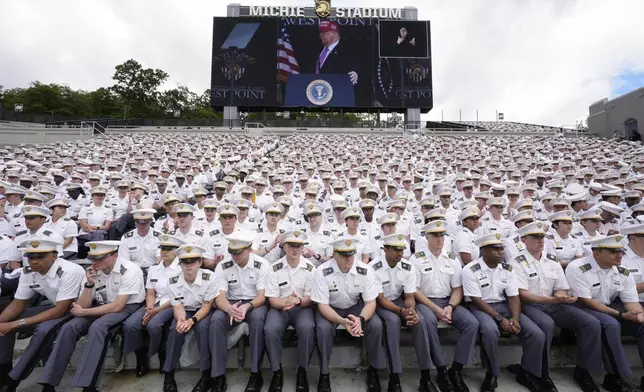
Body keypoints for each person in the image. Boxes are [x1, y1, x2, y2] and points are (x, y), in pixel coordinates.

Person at [38, 240, 145, 392]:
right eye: (93, 258)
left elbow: (118, 306)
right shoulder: (93, 271)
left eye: (100, 258)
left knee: (98, 327)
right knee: (70, 327)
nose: (95, 262)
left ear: (114, 255)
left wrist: (83, 312)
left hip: (126, 307)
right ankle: (49, 383)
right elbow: (83, 304)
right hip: (100, 306)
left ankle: (88, 385)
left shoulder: (129, 269)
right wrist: (89, 284)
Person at [511, 222, 604, 392]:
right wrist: (553, 299)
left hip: (553, 304)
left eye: (542, 237)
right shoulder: (516, 262)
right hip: (530, 306)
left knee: (591, 323)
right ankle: (541, 373)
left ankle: (583, 371)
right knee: (546, 325)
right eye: (535, 237)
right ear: (523, 239)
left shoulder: (552, 261)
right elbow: (523, 294)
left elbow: (561, 286)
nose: (541, 240)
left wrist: (562, 295)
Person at [461, 233, 546, 392]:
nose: (501, 252)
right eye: (496, 249)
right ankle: (492, 374)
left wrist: (515, 318)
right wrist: (500, 319)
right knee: (490, 331)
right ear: (484, 251)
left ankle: (528, 373)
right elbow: (477, 300)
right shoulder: (470, 269)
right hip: (480, 307)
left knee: (536, 334)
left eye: (502, 248)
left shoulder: (508, 269)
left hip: (503, 306)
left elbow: (514, 297)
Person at [0, 238, 85, 392]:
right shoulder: (29, 271)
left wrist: (13, 325)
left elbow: (61, 309)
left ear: (54, 255)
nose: (35, 261)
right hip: (56, 307)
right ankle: (3, 370)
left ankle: (14, 380)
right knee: (6, 319)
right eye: (31, 257)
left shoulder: (70, 270)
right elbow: (18, 303)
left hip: (77, 310)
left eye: (41, 256)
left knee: (43, 330)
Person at [567, 234, 644, 392]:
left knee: (642, 325)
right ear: (597, 253)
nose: (619, 255)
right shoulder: (577, 267)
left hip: (607, 308)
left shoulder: (623, 271)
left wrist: (638, 313)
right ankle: (614, 377)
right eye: (613, 251)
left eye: (621, 251)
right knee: (610, 325)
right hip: (580, 307)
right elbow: (586, 301)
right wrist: (620, 315)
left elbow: (630, 300)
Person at [408, 220, 479, 392]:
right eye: (435, 235)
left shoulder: (452, 259)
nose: (440, 239)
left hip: (448, 301)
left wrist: (451, 306)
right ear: (427, 237)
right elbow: (415, 290)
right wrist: (436, 308)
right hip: (425, 302)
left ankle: (455, 370)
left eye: (442, 235)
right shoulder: (416, 259)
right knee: (428, 322)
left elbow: (457, 289)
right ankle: (440, 370)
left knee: (471, 323)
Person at [311, 238, 385, 392]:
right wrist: (341, 321)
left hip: (354, 306)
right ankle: (324, 374)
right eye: (344, 255)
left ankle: (373, 370)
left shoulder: (365, 270)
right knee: (323, 329)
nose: (349, 258)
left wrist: (361, 319)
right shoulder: (322, 271)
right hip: (331, 307)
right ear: (334, 254)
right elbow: (322, 305)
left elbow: (371, 302)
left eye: (351, 254)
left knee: (376, 325)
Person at [372, 233, 436, 392]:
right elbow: (380, 299)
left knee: (419, 321)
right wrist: (401, 311)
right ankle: (395, 377)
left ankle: (425, 376)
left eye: (402, 249)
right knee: (392, 322)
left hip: (399, 302)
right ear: (385, 249)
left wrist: (411, 310)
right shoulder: (373, 268)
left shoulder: (408, 266)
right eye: (395, 249)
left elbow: (409, 295)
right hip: (380, 304)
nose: (400, 253)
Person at [210, 231, 269, 392]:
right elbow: (219, 296)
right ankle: (218, 375)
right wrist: (228, 308)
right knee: (216, 321)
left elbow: (262, 295)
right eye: (232, 252)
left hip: (255, 303)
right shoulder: (223, 266)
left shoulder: (262, 264)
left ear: (249, 249)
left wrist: (247, 306)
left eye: (239, 252)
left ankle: (256, 374)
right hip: (231, 303)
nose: (235, 256)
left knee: (257, 321)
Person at [122, 234, 185, 379]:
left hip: (172, 304)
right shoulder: (154, 268)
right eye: (162, 248)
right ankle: (141, 358)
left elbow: (178, 295)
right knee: (130, 325)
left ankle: (161, 354)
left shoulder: (181, 268)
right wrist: (150, 308)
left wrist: (156, 311)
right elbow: (150, 292)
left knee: (154, 325)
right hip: (154, 303)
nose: (164, 251)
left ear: (177, 251)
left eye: (169, 249)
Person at [264, 230, 316, 392]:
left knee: (308, 328)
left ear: (303, 248)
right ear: (284, 247)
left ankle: (302, 371)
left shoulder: (310, 268)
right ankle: (276, 372)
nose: (295, 249)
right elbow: (272, 299)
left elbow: (311, 298)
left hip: (302, 307)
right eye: (291, 245)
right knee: (270, 329)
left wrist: (299, 301)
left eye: (298, 245)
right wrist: (284, 302)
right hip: (280, 307)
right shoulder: (274, 268)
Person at [161, 244, 218, 392]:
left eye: (193, 261)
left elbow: (206, 306)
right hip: (185, 311)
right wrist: (181, 320)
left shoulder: (210, 278)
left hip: (203, 311)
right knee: (175, 329)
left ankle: (206, 374)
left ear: (200, 262)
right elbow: (178, 306)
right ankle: (169, 375)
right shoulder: (172, 281)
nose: (189, 265)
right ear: (179, 263)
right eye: (184, 262)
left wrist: (191, 321)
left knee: (203, 328)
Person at [119, 208, 162, 276]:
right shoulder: (126, 238)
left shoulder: (159, 236)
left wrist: (152, 272)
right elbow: (124, 261)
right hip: (133, 272)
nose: (143, 225)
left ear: (151, 221)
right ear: (135, 222)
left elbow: (160, 259)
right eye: (140, 222)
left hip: (154, 271)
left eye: (146, 222)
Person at [314, 20, 359, 85]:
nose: (321, 35)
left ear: (334, 33)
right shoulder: (317, 49)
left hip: (336, 89)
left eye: (324, 32)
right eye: (320, 32)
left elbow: (354, 65)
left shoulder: (346, 50)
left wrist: (355, 73)